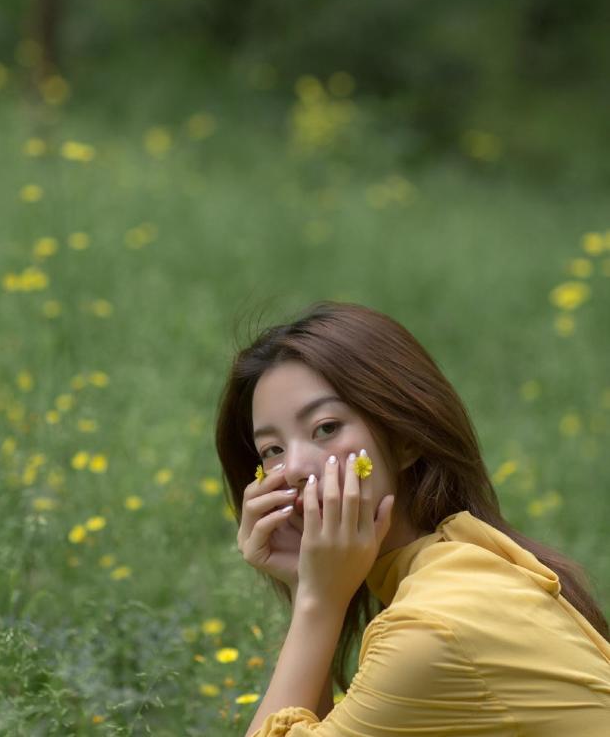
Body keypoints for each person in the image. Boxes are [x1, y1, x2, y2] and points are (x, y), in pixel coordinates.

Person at [214, 301, 610, 736]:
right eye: (272, 450)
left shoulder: (433, 625)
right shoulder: (457, 567)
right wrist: (306, 586)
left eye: (326, 427)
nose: (295, 468)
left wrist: (317, 602)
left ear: (405, 440)